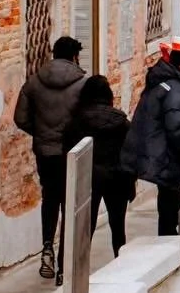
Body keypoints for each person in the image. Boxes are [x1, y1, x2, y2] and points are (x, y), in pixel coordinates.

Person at [13, 34, 87, 280]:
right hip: (72, 152)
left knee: (50, 198)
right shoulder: (82, 84)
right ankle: (65, 265)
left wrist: (42, 133)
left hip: (45, 152)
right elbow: (87, 119)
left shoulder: (34, 82)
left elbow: (20, 118)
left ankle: (47, 247)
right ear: (74, 56)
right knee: (70, 204)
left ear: (53, 54)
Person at [120, 36, 180, 235]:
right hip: (172, 159)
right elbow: (177, 129)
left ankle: (176, 242)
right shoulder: (176, 89)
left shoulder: (164, 81)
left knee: (174, 205)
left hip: (168, 158)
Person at [65, 75, 135, 257]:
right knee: (118, 227)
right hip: (117, 177)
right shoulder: (121, 122)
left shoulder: (77, 122)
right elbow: (132, 153)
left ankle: (74, 268)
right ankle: (120, 262)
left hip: (89, 178)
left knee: (86, 228)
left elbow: (68, 149)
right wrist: (130, 181)